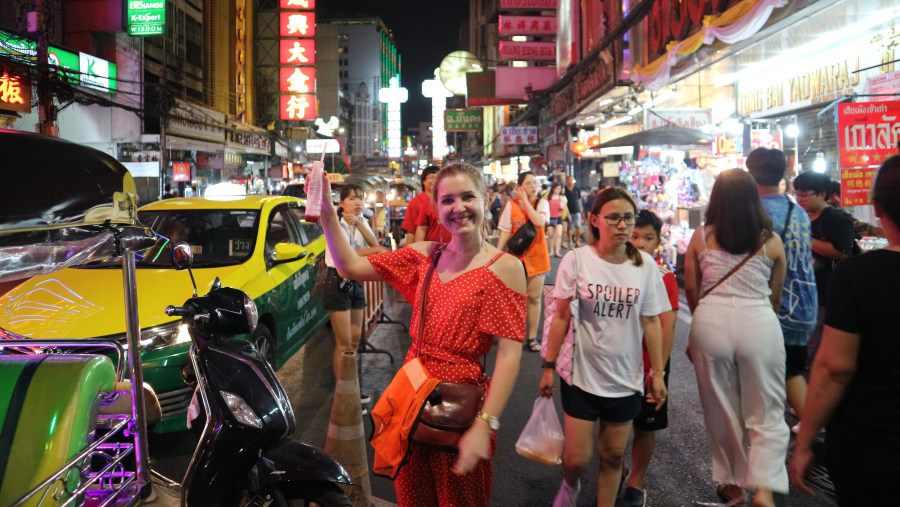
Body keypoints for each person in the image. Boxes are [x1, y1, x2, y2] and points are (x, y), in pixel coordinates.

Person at [315, 163, 526, 507]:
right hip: (412, 400)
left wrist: (485, 425)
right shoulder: (425, 254)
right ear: (436, 206)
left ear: (486, 199)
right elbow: (348, 266)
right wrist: (327, 214)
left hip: (460, 411)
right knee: (412, 497)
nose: (458, 209)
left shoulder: (504, 268)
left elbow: (509, 354)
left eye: (468, 197)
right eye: (448, 201)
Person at [540, 188, 670, 507]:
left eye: (628, 217)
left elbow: (653, 323)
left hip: (626, 381)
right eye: (613, 217)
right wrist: (547, 365)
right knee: (576, 459)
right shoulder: (578, 259)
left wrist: (658, 373)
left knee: (613, 456)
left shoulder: (646, 266)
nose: (622, 225)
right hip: (583, 377)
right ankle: (571, 484)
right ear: (595, 220)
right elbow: (559, 318)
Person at [789, 155, 900, 506]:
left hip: (873, 443)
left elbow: (834, 368)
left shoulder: (859, 276)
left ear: (876, 207)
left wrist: (806, 441)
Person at [684, 169, 788, 507]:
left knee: (721, 408)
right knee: (767, 409)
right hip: (758, 320)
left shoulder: (701, 236)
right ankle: (766, 490)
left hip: (711, 320)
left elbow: (691, 288)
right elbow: (775, 296)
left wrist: (703, 323)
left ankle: (732, 486)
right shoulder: (771, 240)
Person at [746, 148, 818, 434]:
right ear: (784, 173)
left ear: (750, 175)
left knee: (770, 375)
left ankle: (807, 431)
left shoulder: (755, 213)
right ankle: (812, 428)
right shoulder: (797, 211)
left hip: (776, 307)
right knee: (792, 370)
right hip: (804, 305)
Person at [618, 209, 679, 507]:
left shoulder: (664, 277)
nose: (640, 243)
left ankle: (636, 483)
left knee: (645, 426)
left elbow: (668, 327)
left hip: (648, 366)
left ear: (658, 242)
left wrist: (658, 372)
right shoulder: (610, 269)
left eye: (648, 238)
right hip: (615, 364)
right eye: (634, 236)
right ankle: (619, 469)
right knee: (611, 427)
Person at [792, 171, 856, 375]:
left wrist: (804, 239)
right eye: (797, 194)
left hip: (826, 292)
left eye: (805, 195)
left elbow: (842, 252)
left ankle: (812, 391)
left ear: (822, 194)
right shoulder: (799, 216)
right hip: (802, 293)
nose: (800, 199)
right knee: (804, 344)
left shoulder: (835, 219)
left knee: (816, 344)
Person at [323, 184, 388, 378]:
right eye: (352, 198)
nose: (358, 202)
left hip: (355, 282)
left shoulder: (362, 221)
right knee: (343, 344)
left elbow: (374, 243)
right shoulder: (335, 224)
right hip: (337, 283)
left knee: (354, 341)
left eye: (360, 198)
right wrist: (376, 251)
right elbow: (347, 256)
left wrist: (359, 224)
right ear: (342, 203)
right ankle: (342, 394)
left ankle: (352, 388)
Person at [497, 171, 551, 352]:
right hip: (515, 259)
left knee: (534, 298)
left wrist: (526, 201)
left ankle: (532, 337)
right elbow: (505, 231)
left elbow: (539, 222)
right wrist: (497, 254)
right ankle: (514, 334)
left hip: (537, 258)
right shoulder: (510, 206)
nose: (534, 186)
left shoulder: (542, 203)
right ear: (520, 186)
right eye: (529, 183)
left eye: (535, 183)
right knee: (514, 299)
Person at [401, 166, 439, 247]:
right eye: (431, 177)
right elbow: (411, 231)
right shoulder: (415, 203)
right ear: (423, 181)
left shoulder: (444, 201)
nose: (434, 181)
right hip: (426, 250)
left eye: (438, 177)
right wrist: (410, 253)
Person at [564, 176, 584, 248]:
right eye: (568, 180)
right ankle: (570, 241)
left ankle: (577, 241)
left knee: (578, 226)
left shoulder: (577, 189)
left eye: (571, 180)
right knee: (569, 227)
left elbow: (579, 199)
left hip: (576, 210)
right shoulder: (565, 190)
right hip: (568, 211)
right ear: (567, 181)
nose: (570, 181)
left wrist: (580, 208)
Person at [547, 183, 565, 257]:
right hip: (550, 218)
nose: (559, 190)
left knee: (559, 235)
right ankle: (551, 251)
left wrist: (562, 206)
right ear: (553, 189)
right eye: (557, 188)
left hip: (558, 218)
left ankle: (557, 251)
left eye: (560, 188)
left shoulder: (561, 197)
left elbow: (563, 207)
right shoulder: (548, 197)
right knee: (551, 235)